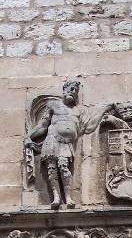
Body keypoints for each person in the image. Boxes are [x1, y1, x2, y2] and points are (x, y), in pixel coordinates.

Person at [26, 80, 112, 209]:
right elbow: (42, 126)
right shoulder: (53, 105)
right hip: (52, 139)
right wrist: (29, 136)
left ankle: (68, 197)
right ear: (64, 90)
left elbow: (87, 127)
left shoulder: (78, 111)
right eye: (70, 89)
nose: (72, 92)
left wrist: (104, 109)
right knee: (52, 168)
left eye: (75, 91)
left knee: (63, 167)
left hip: (66, 143)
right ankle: (56, 197)